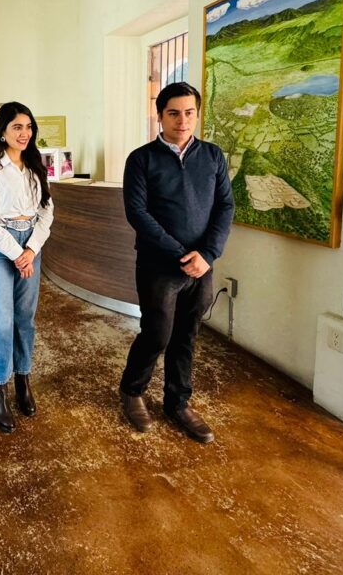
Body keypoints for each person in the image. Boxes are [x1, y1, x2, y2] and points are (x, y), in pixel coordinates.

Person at [119, 82, 234, 443]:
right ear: (160, 116)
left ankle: (177, 402)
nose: (182, 121)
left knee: (187, 334)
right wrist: (179, 254)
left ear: (197, 114)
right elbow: (137, 213)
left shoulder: (212, 156)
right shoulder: (141, 159)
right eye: (173, 113)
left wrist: (208, 254)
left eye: (189, 113)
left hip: (201, 266)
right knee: (157, 333)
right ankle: (132, 390)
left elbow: (225, 206)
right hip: (158, 265)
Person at [0, 103, 54, 433]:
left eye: (29, 127)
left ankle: (23, 378)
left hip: (30, 242)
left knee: (24, 318)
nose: (25, 133)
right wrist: (18, 253)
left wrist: (31, 249)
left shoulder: (35, 166)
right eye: (17, 127)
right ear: (2, 131)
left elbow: (46, 212)